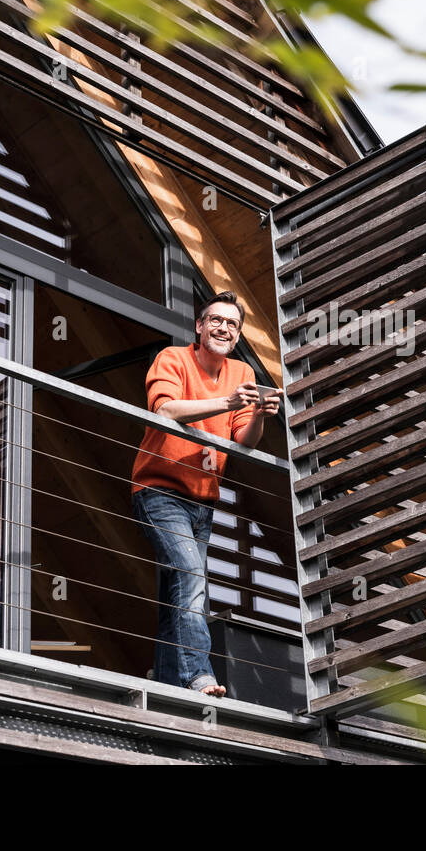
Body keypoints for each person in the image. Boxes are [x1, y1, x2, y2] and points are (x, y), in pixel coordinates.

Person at [130, 291, 281, 698]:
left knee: (178, 592)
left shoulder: (242, 372)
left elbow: (244, 440)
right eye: (215, 320)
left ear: (237, 336)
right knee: (192, 578)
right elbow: (164, 410)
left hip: (203, 502)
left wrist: (261, 418)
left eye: (231, 325)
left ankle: (165, 686)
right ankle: (197, 675)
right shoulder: (173, 358)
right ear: (199, 326)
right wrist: (226, 402)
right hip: (159, 490)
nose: (223, 328)